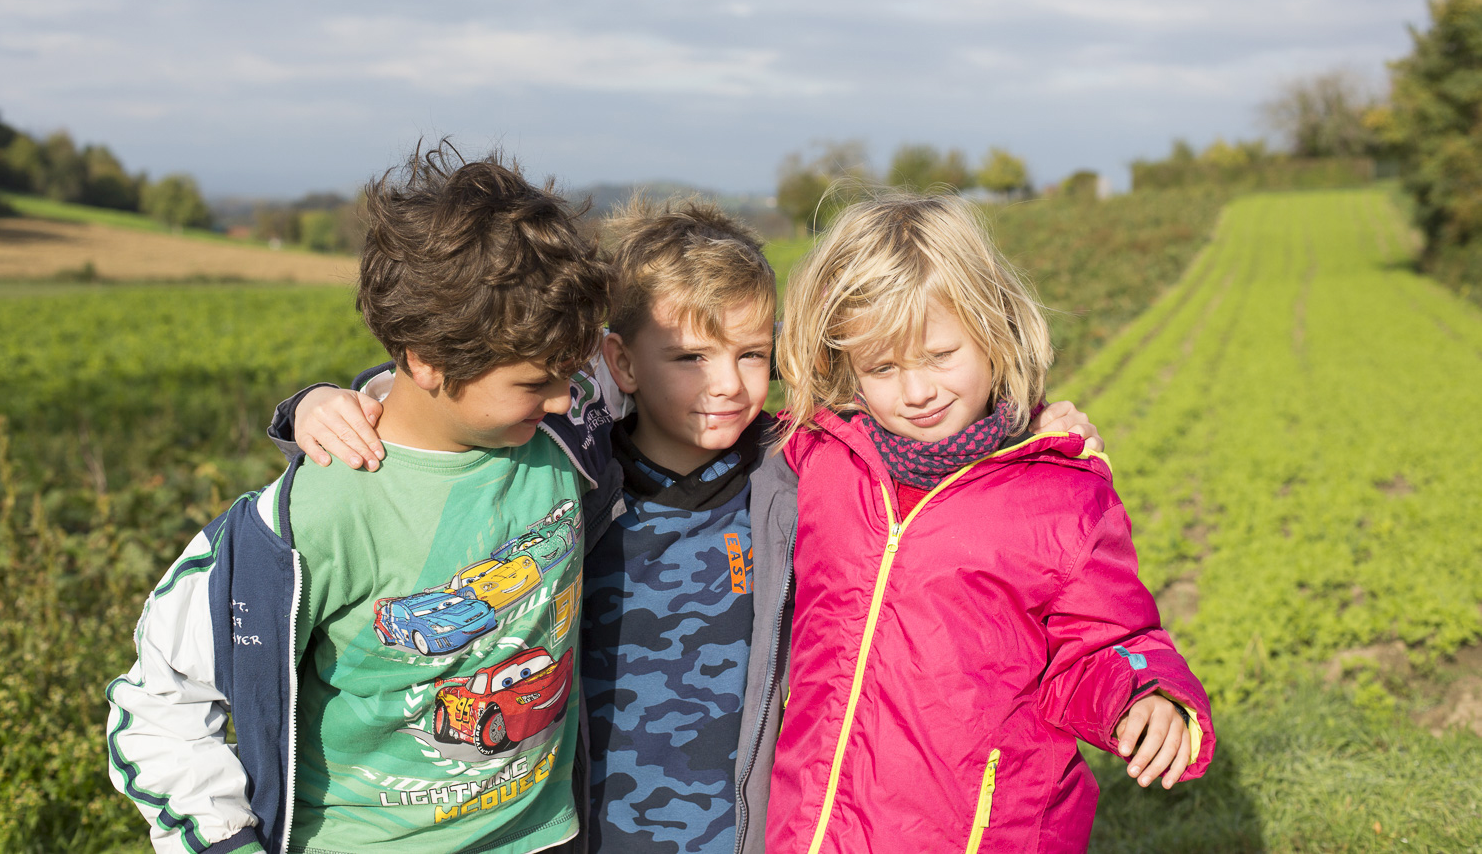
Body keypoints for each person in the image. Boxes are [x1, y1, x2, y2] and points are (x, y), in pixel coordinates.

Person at [279, 199, 1102, 854]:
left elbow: (930, 453)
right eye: (691, 357)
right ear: (623, 360)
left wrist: (1030, 432)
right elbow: (461, 409)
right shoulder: (569, 468)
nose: (729, 385)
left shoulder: (797, 466)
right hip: (586, 827)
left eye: (752, 353)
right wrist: (330, 401)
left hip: (745, 830)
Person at [106, 144, 614, 854]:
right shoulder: (315, 511)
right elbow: (158, 705)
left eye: (568, 371)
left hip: (543, 837)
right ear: (427, 357)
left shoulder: (563, 440)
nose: (567, 396)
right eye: (536, 382)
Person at [766, 189, 1215, 854]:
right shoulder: (816, 457)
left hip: (981, 833)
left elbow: (1102, 640)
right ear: (847, 362)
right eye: (883, 368)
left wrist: (1143, 690)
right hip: (815, 827)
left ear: (992, 329)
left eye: (941, 356)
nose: (916, 391)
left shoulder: (1061, 495)